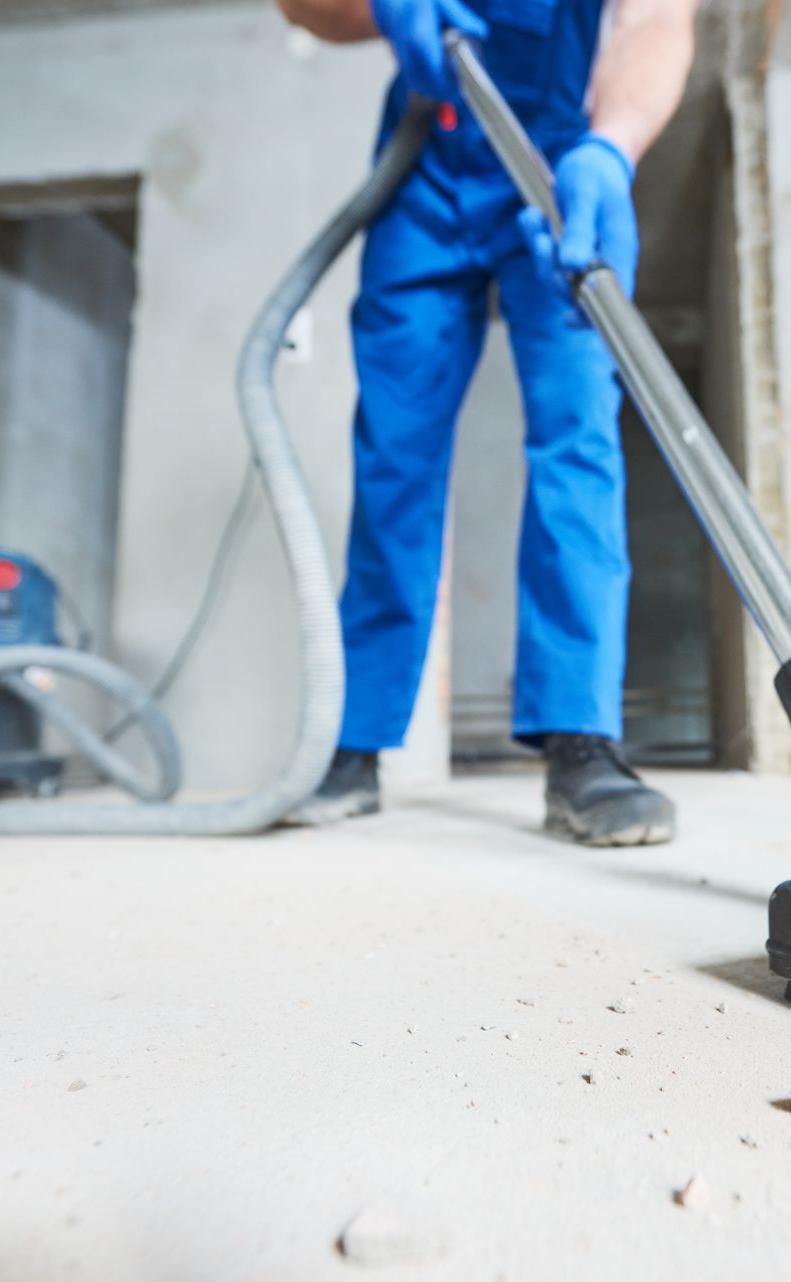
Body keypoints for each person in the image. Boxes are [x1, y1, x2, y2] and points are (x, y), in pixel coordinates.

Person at [276, 0, 699, 845]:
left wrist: (611, 147)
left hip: (554, 159)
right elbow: (306, 8)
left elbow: (654, 17)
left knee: (576, 437)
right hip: (426, 163)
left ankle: (581, 743)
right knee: (393, 453)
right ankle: (352, 741)